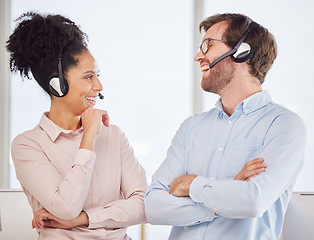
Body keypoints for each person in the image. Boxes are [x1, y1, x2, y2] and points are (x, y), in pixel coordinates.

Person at [144, 13, 306, 240]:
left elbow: (252, 201)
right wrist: (225, 196)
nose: (197, 56)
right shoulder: (192, 127)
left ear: (242, 53)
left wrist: (190, 185)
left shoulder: (284, 125)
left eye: (207, 45)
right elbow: (153, 206)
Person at [7, 12, 147, 239]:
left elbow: (145, 205)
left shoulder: (113, 135)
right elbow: (66, 207)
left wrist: (84, 218)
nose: (99, 85)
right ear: (58, 84)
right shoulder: (27, 145)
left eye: (97, 75)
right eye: (89, 77)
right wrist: (88, 137)